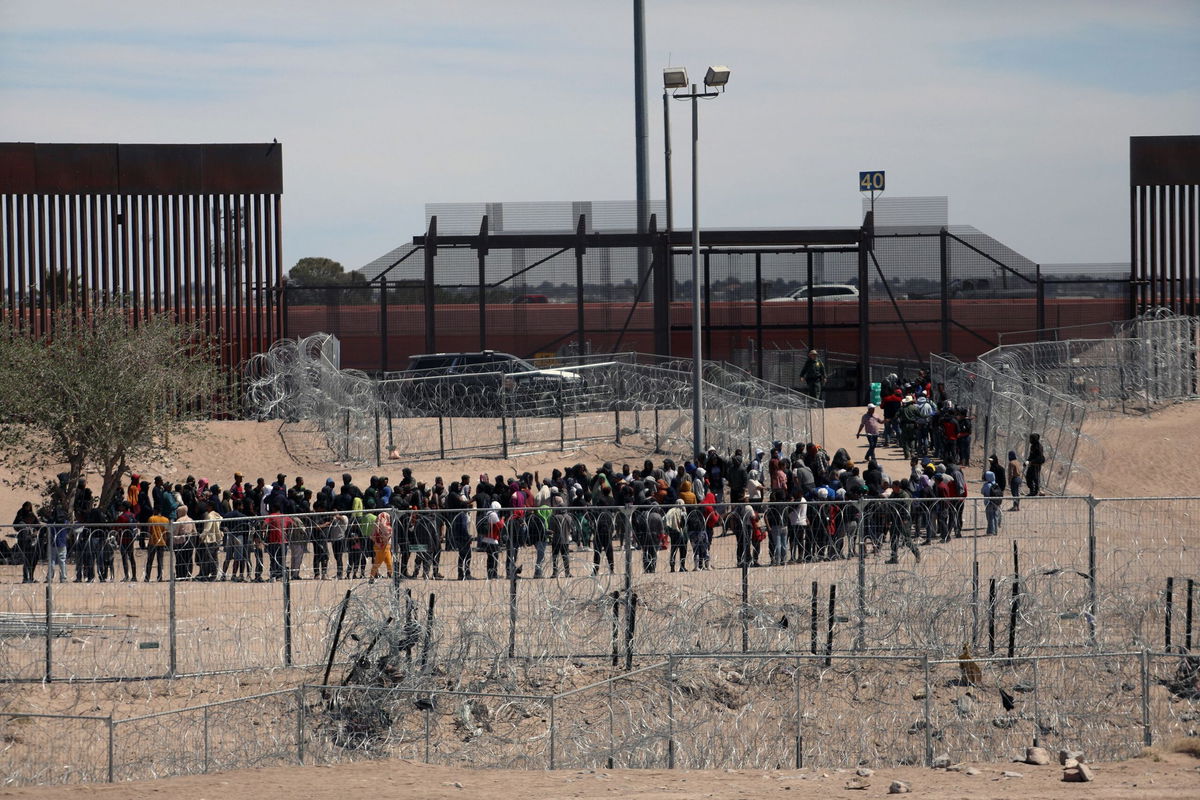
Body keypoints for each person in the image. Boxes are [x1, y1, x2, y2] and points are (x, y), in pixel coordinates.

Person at [145, 509, 169, 582]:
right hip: (162, 542)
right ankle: (160, 577)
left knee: (150, 561)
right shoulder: (166, 520)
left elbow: (149, 531)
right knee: (160, 561)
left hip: (152, 542)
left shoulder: (151, 519)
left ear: (155, 511)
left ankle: (147, 577)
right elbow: (166, 532)